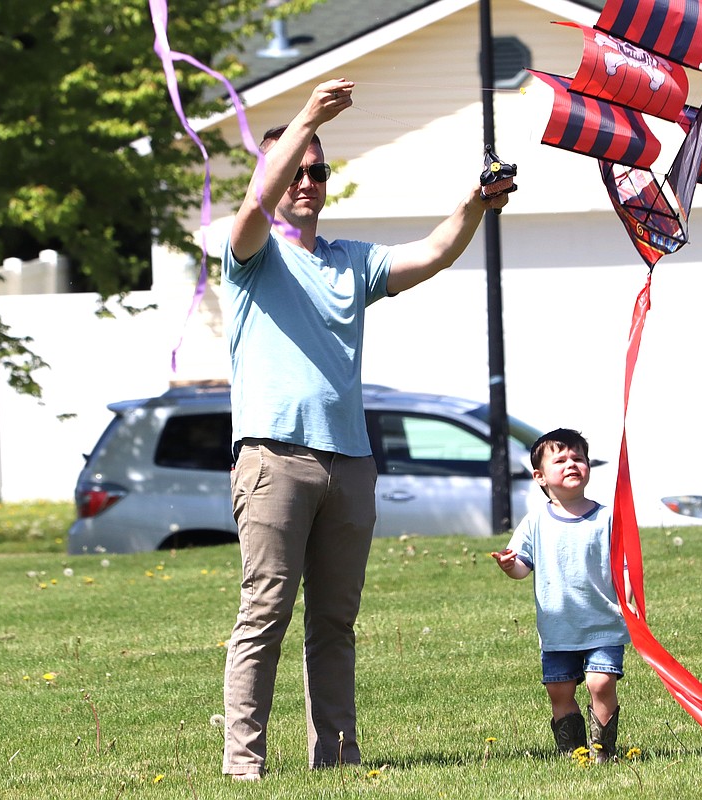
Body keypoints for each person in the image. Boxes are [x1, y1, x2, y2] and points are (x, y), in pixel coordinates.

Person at [220, 78, 510, 781]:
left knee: (334, 626)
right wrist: (305, 121)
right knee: (265, 615)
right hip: (274, 459)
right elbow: (255, 206)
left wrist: (475, 204)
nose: (307, 181)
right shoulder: (252, 257)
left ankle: (339, 759)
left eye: (318, 171)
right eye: (296, 170)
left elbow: (436, 252)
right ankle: (242, 764)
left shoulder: (351, 262)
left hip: (349, 462)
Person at [492, 428, 630, 763]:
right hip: (558, 628)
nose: (571, 464)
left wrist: (631, 601)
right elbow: (522, 567)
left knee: (600, 683)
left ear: (588, 468)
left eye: (578, 458)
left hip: (603, 622)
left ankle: (602, 751)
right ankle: (572, 751)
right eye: (561, 459)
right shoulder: (535, 521)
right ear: (539, 476)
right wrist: (509, 566)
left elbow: (625, 566)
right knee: (559, 690)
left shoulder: (607, 518)